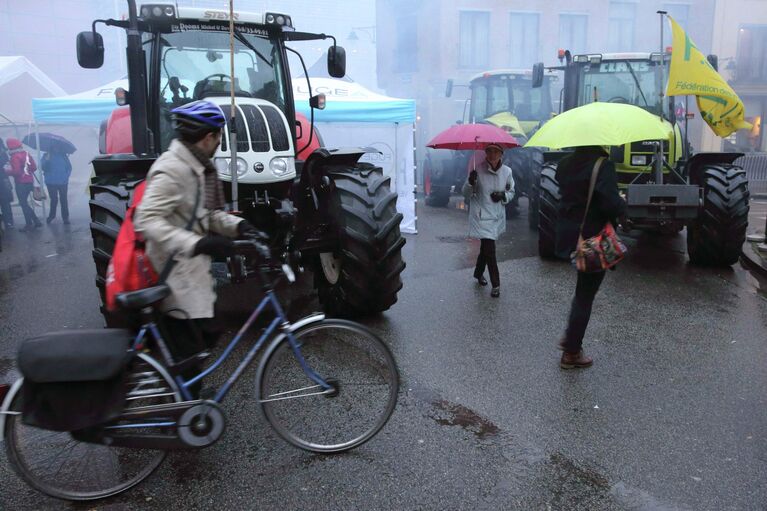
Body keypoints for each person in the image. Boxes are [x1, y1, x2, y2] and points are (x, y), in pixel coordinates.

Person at [134, 100, 258, 396]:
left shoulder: (196, 167)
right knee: (191, 352)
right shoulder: (173, 169)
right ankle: (182, 413)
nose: (218, 143)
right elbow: (145, 220)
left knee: (206, 336)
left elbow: (203, 214)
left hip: (190, 276)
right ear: (209, 138)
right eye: (218, 137)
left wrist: (239, 226)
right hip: (173, 278)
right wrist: (198, 242)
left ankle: (181, 398)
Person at [555, 146, 626, 369]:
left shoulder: (565, 164)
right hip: (593, 241)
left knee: (582, 293)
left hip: (572, 235)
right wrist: (622, 202)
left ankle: (570, 338)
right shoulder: (603, 166)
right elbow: (610, 204)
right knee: (585, 296)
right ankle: (572, 351)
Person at [462, 143, 514, 298]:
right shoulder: (477, 170)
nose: (492, 155)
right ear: (485, 153)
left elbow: (511, 192)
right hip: (481, 217)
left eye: (496, 152)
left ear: (501, 154)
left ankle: (478, 273)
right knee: (490, 250)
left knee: (486, 249)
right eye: (489, 151)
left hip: (496, 217)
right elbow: (466, 194)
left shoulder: (507, 172)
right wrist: (470, 183)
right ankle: (496, 284)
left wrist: (503, 196)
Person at [4, 138, 41, 232]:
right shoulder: (26, 154)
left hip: (21, 183)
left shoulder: (14, 157)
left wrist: (7, 172)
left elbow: (16, 171)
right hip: (30, 181)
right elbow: (34, 167)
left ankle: (29, 224)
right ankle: (36, 221)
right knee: (25, 204)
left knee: (23, 204)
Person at [41, 149, 72, 224]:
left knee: (63, 199)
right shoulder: (46, 155)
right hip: (51, 181)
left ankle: (65, 217)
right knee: (54, 199)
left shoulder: (64, 156)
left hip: (63, 182)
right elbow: (42, 167)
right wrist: (47, 160)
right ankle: (52, 216)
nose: (56, 148)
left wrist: (66, 176)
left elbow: (69, 168)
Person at [0, 139, 14, 229]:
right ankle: (9, 221)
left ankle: (8, 221)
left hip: (2, 180)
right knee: (5, 202)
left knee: (5, 201)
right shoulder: (4, 153)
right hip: (3, 179)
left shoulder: (3, 153)